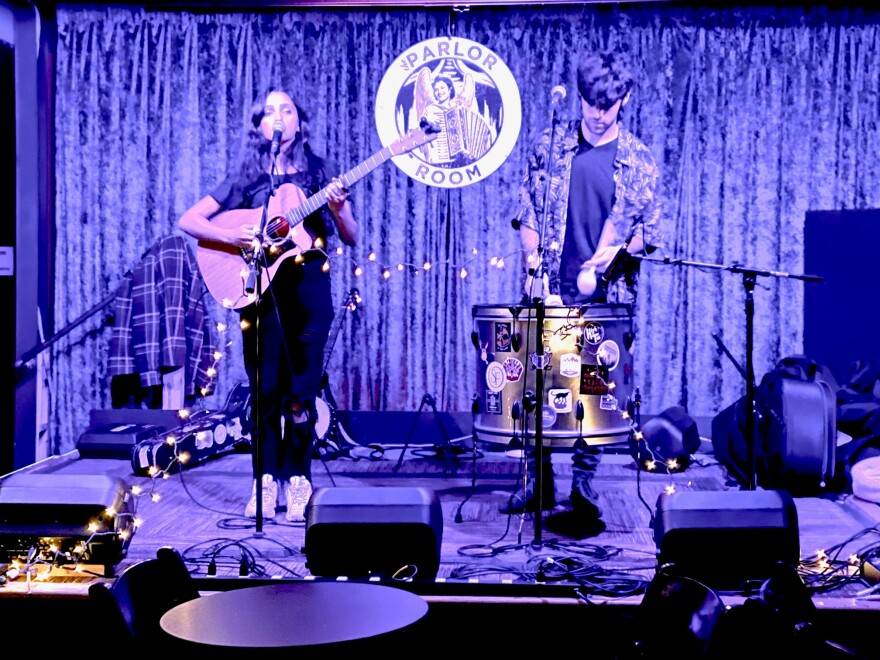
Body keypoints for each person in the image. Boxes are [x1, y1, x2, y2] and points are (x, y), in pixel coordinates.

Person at [178, 87, 357, 522]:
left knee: (302, 392)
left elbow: (351, 235)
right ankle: (264, 480)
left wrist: (335, 209)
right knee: (265, 390)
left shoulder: (320, 171)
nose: (280, 117)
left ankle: (298, 478)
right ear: (260, 126)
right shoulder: (247, 175)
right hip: (260, 290)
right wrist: (234, 236)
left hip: (310, 288)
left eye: (288, 109)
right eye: (270, 112)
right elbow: (190, 220)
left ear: (300, 121)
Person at [507, 49, 664, 537]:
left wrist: (616, 249)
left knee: (592, 394)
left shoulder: (638, 160)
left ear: (625, 99)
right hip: (549, 285)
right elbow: (527, 208)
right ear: (578, 96)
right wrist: (532, 260)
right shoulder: (549, 144)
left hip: (606, 295)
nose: (598, 114)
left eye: (608, 104)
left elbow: (650, 231)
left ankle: (583, 486)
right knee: (538, 386)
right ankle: (537, 481)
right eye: (591, 103)